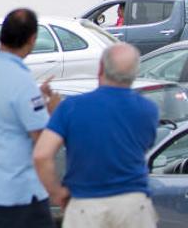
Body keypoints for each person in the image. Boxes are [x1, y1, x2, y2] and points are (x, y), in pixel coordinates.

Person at [32, 43, 158, 228]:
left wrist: (57, 193)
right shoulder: (148, 110)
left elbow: (42, 155)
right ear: (134, 73)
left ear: (101, 68)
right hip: (133, 205)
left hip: (86, 206)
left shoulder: (71, 107)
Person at [0, 8, 60, 227]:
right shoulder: (21, 80)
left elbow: (0, 116)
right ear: (32, 39)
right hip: (18, 192)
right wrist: (54, 111)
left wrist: (37, 102)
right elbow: (42, 140)